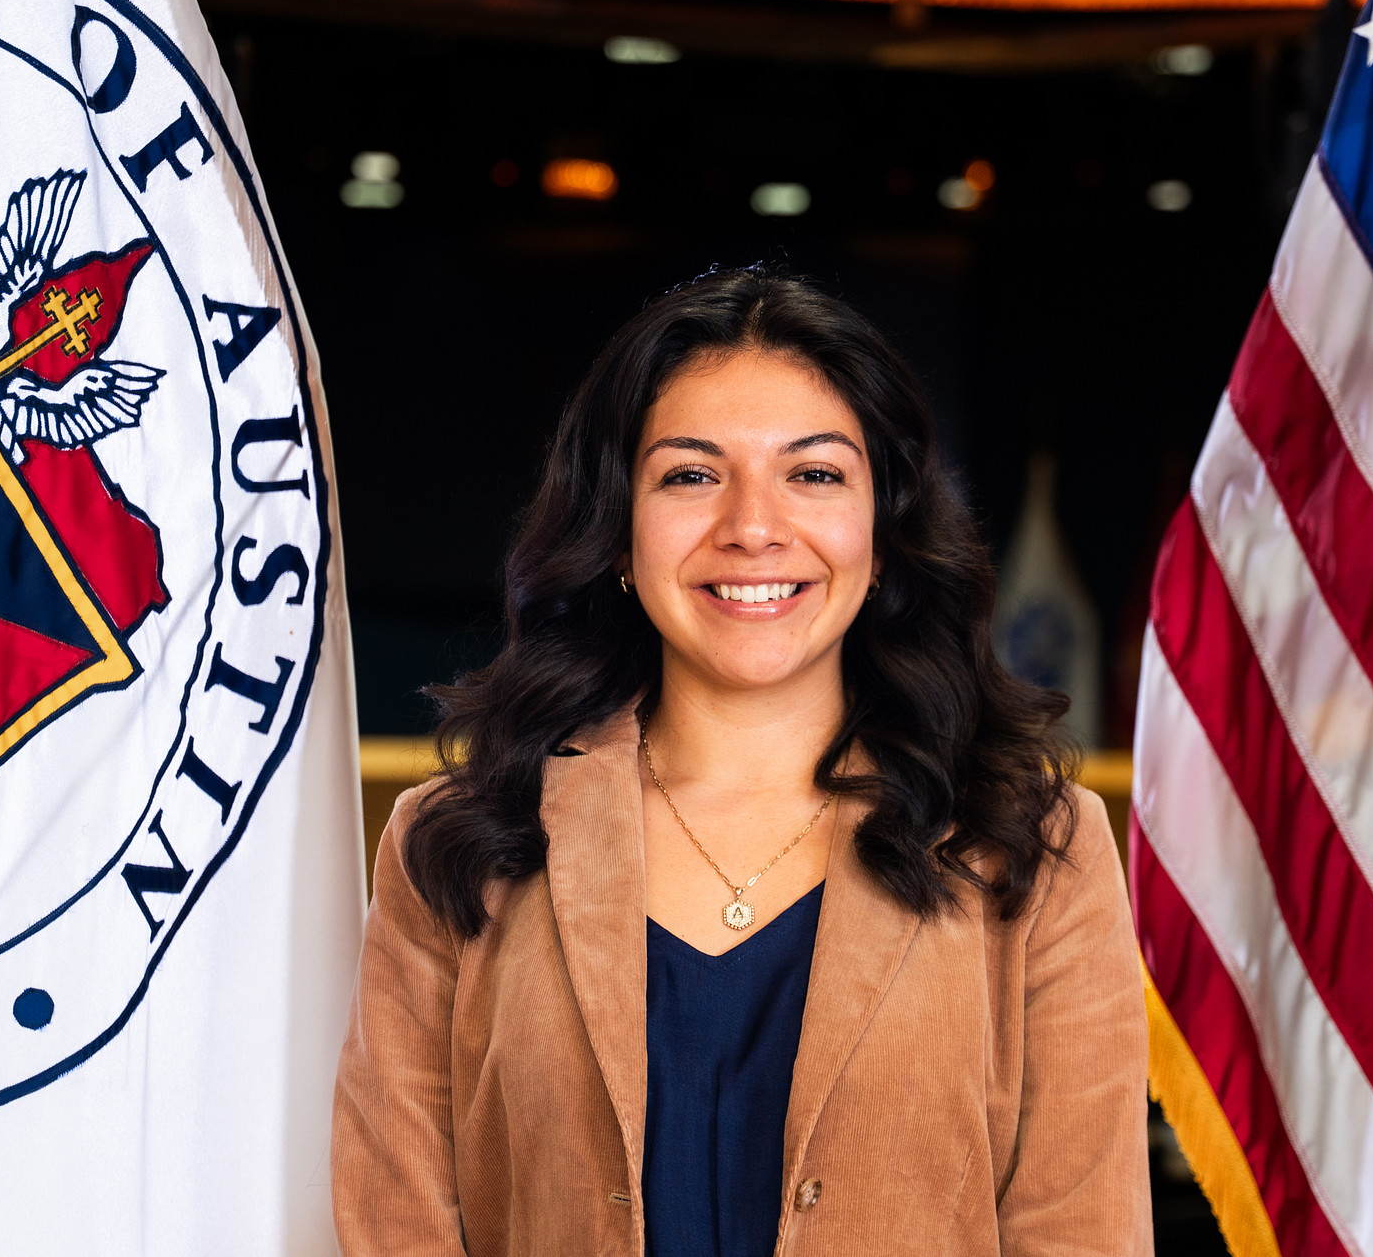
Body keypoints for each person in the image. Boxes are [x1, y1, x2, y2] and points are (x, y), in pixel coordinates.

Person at [331, 269, 1151, 1256]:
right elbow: (396, 1225)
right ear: (618, 534)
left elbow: (1081, 1233)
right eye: (690, 475)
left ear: (883, 531)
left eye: (814, 475)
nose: (753, 526)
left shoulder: (1029, 845)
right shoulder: (459, 840)